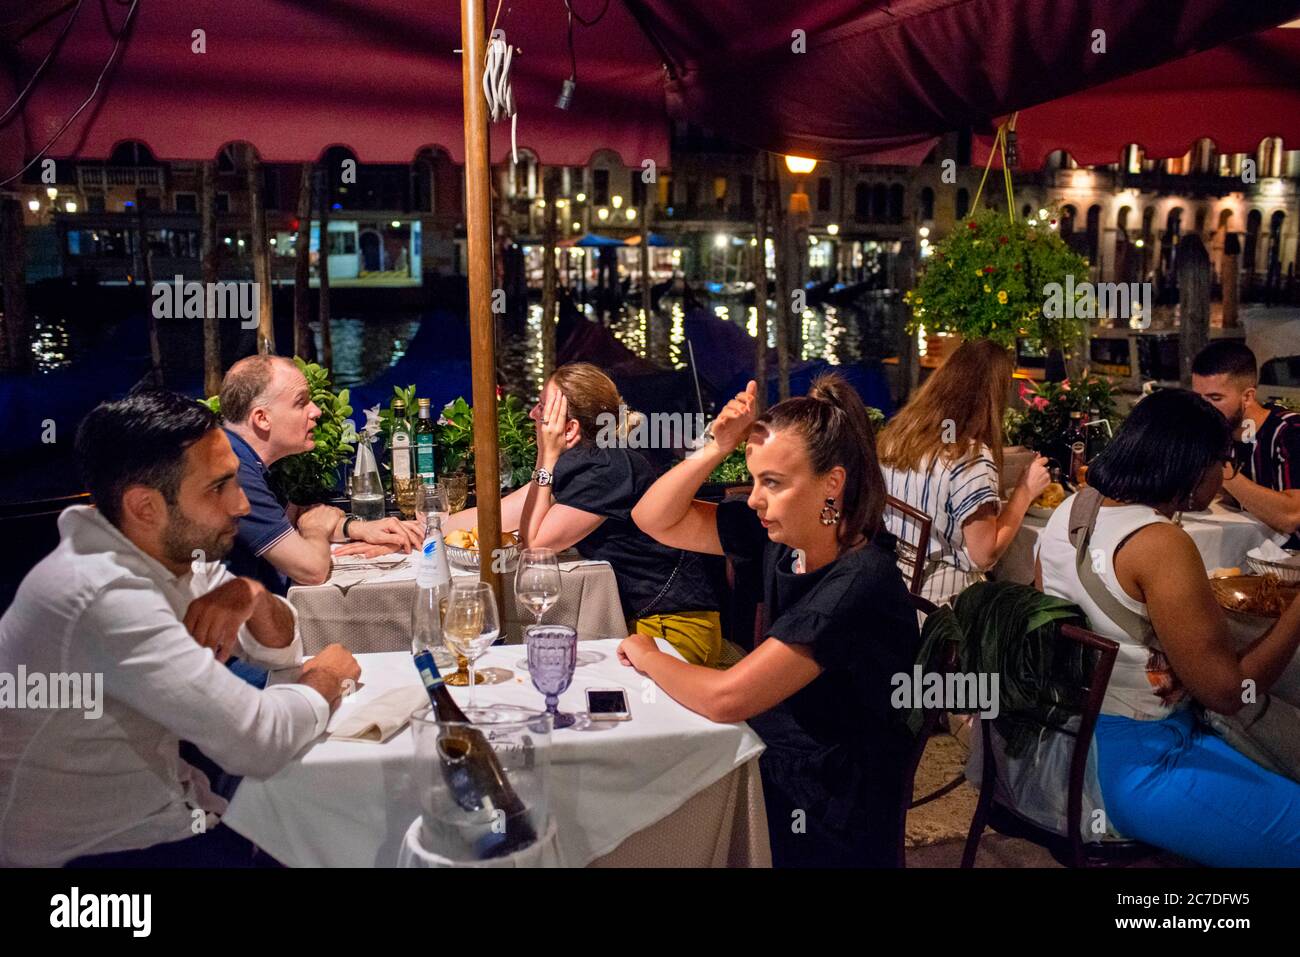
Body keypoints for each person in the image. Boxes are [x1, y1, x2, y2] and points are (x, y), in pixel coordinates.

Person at [0, 390, 361, 867]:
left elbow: (279, 648)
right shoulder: (105, 595)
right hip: (99, 855)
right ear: (145, 506)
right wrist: (328, 678)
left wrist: (250, 597)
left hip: (177, 811)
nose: (241, 506)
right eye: (219, 487)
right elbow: (257, 743)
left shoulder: (168, 552)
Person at [626, 374, 920, 867]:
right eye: (755, 478)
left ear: (833, 484)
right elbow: (652, 518)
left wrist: (648, 654)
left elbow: (727, 698)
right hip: (782, 759)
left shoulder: (859, 581)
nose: (756, 498)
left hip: (833, 811)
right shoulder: (782, 538)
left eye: (774, 483)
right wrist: (715, 446)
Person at [1035, 389, 1300, 866]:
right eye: (1222, 461)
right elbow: (1229, 694)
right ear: (1190, 462)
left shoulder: (1070, 511)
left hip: (1070, 744)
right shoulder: (1161, 543)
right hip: (1138, 766)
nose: (1224, 475)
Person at [448, 363, 721, 664]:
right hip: (644, 624)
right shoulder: (582, 462)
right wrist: (429, 528)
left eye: (541, 407)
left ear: (569, 429)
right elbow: (499, 515)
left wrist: (545, 457)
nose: (532, 415)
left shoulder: (607, 468)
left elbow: (535, 548)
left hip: (673, 628)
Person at [220, 355, 422, 592]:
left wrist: (356, 528)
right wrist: (316, 530)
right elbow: (312, 570)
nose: (315, 411)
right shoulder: (234, 469)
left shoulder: (244, 457)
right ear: (262, 418)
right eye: (301, 402)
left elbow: (294, 517)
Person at [878, 339, 1050, 604]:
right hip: (943, 607)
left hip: (892, 587)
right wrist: (1025, 492)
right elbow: (985, 554)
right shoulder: (970, 459)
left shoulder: (896, 437)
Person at [1192, 340, 1300, 545]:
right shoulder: (1223, 432)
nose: (1203, 408)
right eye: (1199, 398)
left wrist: (1222, 469)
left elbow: (1292, 517)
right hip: (1256, 552)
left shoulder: (1290, 432)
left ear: (1248, 396)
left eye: (1215, 398)